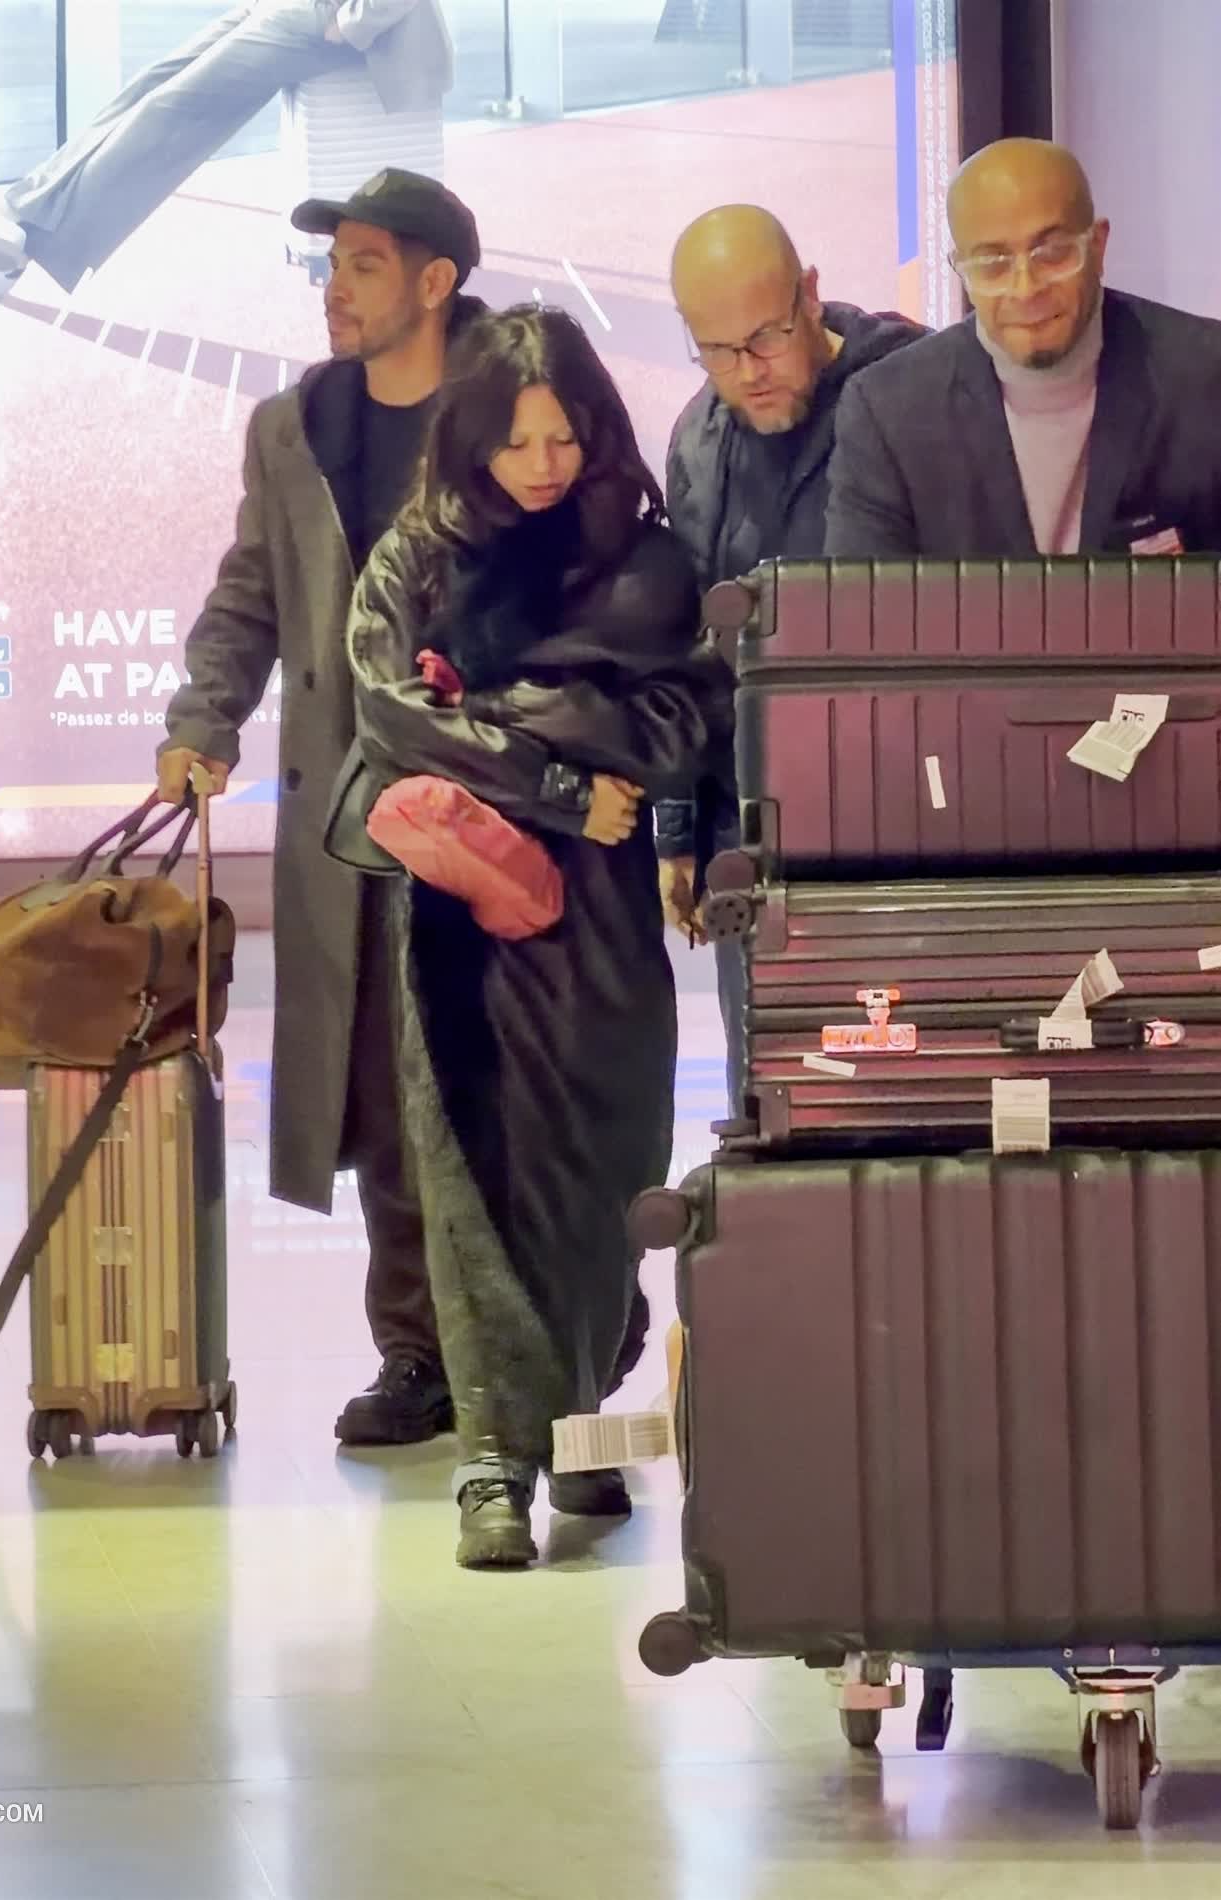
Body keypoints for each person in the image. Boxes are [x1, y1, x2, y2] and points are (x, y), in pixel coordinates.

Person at [344, 305, 733, 1567]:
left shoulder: (646, 560)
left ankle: (579, 1423)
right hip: (460, 907)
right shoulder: (421, 553)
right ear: (472, 439)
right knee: (482, 1162)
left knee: (610, 1159)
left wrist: (520, 714)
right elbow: (391, 716)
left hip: (605, 906)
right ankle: (493, 1461)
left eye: (562, 436)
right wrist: (558, 774)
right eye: (515, 441)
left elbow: (686, 715)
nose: (542, 464)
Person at [154, 169, 481, 1449]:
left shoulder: (514, 403)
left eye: (363, 263)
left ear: (435, 282)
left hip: (496, 802)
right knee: (385, 1086)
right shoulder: (295, 427)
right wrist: (202, 720)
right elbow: (252, 591)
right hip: (351, 817)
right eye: (330, 264)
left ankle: (535, 1354)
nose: (335, 289)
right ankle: (416, 1353)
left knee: (506, 1081)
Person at [656, 206, 924, 1108]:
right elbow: (688, 649)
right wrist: (677, 829)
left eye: (766, 337)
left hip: (902, 822)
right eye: (716, 350)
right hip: (753, 831)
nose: (748, 371)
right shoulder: (699, 439)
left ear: (809, 295)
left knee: (912, 1086)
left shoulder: (913, 389)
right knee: (773, 1096)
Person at [0, 1, 452, 302]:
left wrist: (353, 21)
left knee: (175, 107)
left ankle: (18, 245)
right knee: (151, 84)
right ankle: (14, 225)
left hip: (356, 21)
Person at [825, 138, 1221, 558]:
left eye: (1051, 254)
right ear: (961, 272)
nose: (1026, 288)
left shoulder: (1205, 376)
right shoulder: (887, 412)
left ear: (1098, 246)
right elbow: (863, 598)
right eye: (992, 264)